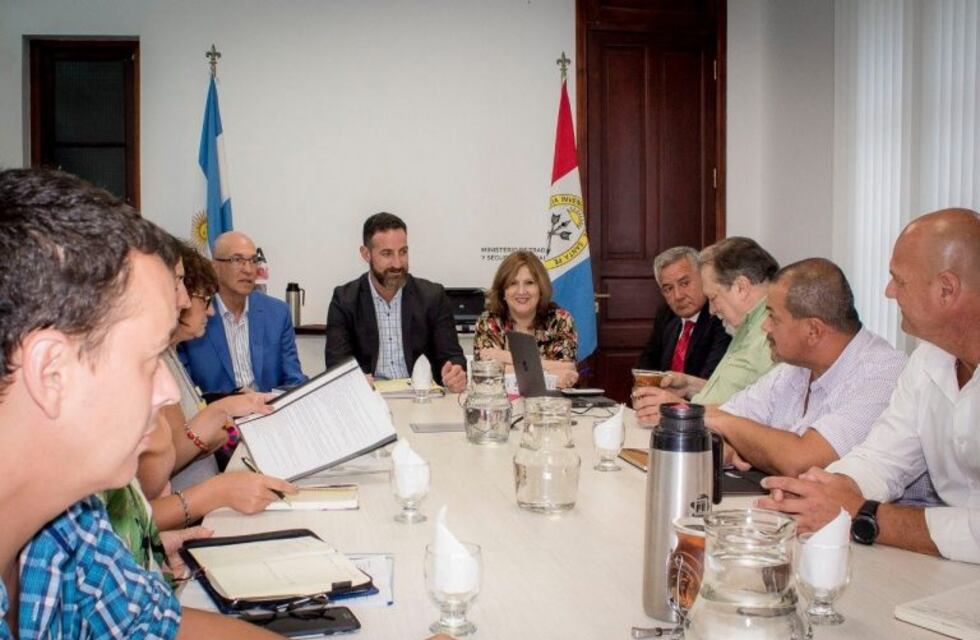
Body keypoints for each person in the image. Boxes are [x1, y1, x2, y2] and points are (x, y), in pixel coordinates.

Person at [0, 168, 281, 638]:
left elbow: (160, 625)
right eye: (149, 360)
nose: (169, 392)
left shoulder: (71, 521)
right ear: (51, 372)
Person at [759, 209, 980, 564]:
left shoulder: (893, 364)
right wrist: (823, 491)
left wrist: (866, 516)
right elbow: (883, 458)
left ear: (946, 289)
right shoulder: (928, 361)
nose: (889, 292)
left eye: (899, 280)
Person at [703, 258, 907, 477]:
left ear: (813, 330)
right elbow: (719, 415)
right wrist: (724, 433)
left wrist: (726, 426)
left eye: (773, 317)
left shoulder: (884, 375)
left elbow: (802, 461)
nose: (765, 326)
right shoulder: (795, 368)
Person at [633, 237, 778, 423]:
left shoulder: (772, 332)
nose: (712, 310)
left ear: (741, 288)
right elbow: (737, 395)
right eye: (668, 288)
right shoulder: (746, 325)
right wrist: (688, 385)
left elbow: (754, 416)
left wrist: (678, 409)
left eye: (714, 297)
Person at [325, 212, 467, 393]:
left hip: (422, 399)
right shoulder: (345, 300)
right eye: (387, 254)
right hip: (370, 399)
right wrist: (354, 382)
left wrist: (455, 373)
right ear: (366, 254)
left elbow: (452, 356)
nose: (398, 263)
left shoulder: (432, 296)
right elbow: (336, 366)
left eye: (403, 252)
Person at [179, 230, 307, 395]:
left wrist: (263, 401)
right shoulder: (194, 315)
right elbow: (187, 393)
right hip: (218, 416)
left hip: (268, 412)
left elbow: (294, 381)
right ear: (214, 267)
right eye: (237, 260)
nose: (248, 269)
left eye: (254, 261)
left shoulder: (277, 313)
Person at [473, 250, 579, 388]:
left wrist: (505, 357)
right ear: (502, 292)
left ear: (540, 288)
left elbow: (568, 370)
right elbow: (488, 375)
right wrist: (552, 376)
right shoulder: (488, 321)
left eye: (529, 283)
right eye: (513, 283)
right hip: (502, 404)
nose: (521, 291)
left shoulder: (560, 320)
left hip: (550, 405)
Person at [636, 246, 731, 378]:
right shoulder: (666, 314)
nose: (678, 296)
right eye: (668, 288)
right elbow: (646, 368)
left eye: (684, 283)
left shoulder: (720, 316)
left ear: (703, 277)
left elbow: (710, 379)